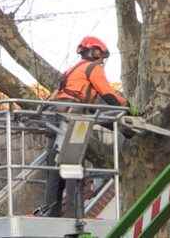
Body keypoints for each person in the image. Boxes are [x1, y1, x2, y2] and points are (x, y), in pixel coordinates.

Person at [42, 36, 128, 218]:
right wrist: (127, 108)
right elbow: (107, 94)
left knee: (56, 162)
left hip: (58, 114)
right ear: (95, 52)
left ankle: (52, 209)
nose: (102, 61)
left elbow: (59, 94)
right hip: (72, 115)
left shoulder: (71, 70)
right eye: (101, 56)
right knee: (72, 161)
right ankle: (73, 212)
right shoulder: (92, 68)